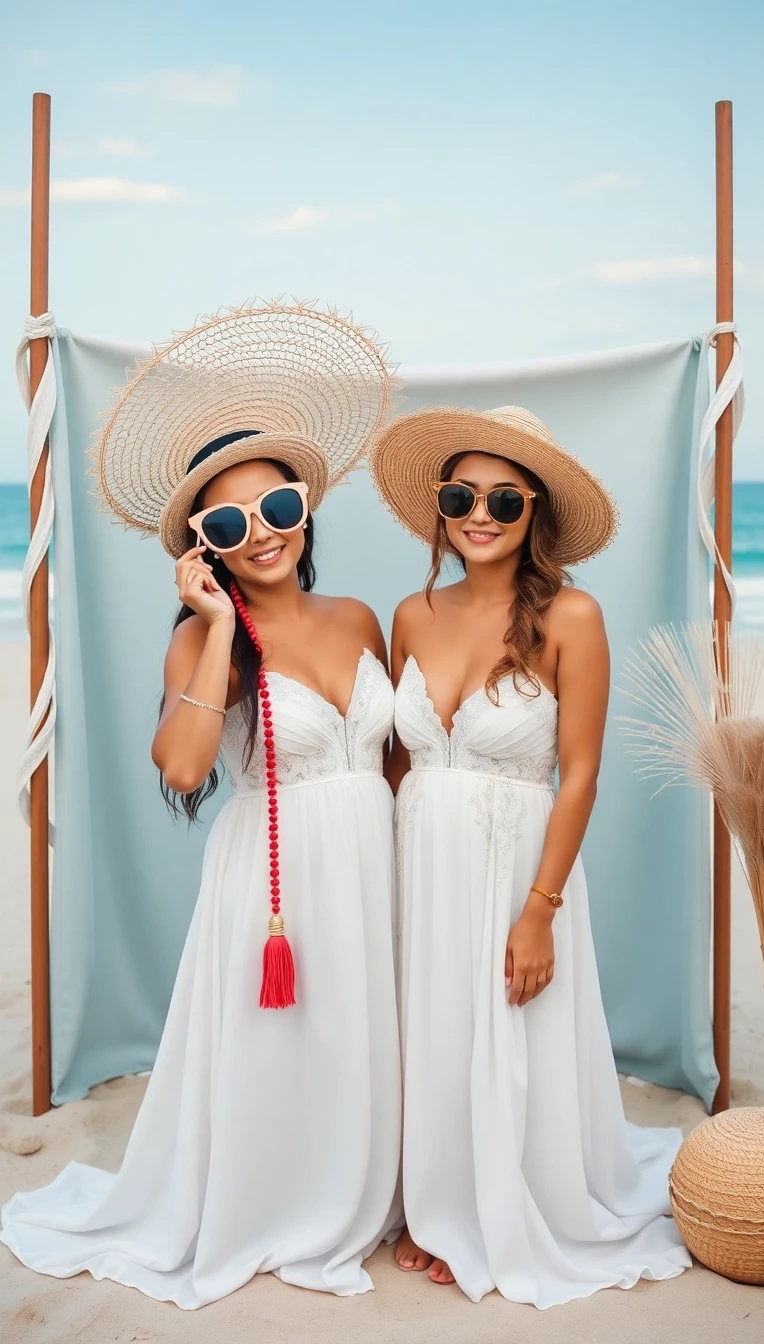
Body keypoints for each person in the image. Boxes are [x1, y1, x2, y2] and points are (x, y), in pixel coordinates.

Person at [1, 303, 402, 1307]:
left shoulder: (357, 617)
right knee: (283, 1049)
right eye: (227, 524)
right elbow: (183, 770)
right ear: (201, 545)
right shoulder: (200, 641)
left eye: (277, 509)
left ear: (306, 509)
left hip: (372, 857)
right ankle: (281, 1199)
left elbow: (396, 759)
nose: (258, 534)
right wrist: (220, 626)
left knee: (362, 1037)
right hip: (272, 879)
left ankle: (369, 1187)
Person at [370, 404, 691, 1308]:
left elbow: (581, 775)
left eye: (504, 499)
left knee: (508, 1030)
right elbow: (395, 762)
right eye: (461, 494)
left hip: (517, 869)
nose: (480, 512)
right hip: (419, 860)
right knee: (432, 1029)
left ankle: (502, 1204)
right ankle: (440, 1201)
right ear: (439, 506)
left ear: (535, 514)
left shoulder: (572, 616)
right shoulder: (411, 613)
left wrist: (541, 908)